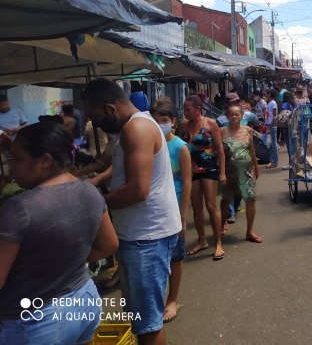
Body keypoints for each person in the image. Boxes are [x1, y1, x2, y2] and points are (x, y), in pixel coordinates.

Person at [82, 78, 181, 345]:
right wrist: (97, 183)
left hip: (146, 238)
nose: (96, 123)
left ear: (110, 108)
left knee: (147, 324)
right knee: (143, 318)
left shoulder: (135, 129)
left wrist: (95, 204)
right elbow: (124, 170)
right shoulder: (135, 126)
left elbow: (137, 190)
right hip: (141, 235)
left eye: (96, 116)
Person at [0, 122, 118, 344]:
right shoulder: (89, 191)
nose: (10, 165)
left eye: (16, 158)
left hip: (36, 320)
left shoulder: (19, 208)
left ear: (45, 160)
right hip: (84, 301)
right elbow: (109, 244)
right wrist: (66, 262)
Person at [151, 98, 192, 324]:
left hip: (175, 209)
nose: (160, 125)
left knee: (176, 257)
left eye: (164, 120)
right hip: (155, 211)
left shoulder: (180, 147)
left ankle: (173, 299)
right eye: (155, 121)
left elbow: (187, 182)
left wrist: (183, 215)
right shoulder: (148, 144)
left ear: (173, 122)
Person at [178, 95, 226, 261]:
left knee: (211, 206)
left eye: (188, 110)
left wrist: (222, 171)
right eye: (184, 110)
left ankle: (218, 242)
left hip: (209, 169)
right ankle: (202, 241)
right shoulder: (183, 125)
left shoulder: (210, 123)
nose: (185, 113)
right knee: (197, 209)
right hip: (191, 172)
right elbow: (179, 146)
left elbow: (219, 149)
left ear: (198, 109)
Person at [219, 105, 263, 244]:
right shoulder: (221, 131)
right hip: (228, 170)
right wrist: (220, 172)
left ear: (242, 116)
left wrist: (256, 167)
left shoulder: (248, 130)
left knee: (250, 198)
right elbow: (217, 152)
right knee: (226, 198)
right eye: (231, 114)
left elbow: (252, 150)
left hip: (246, 170)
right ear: (227, 116)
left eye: (237, 114)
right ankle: (222, 223)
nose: (234, 117)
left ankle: (249, 231)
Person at [281, 91, 297, 169]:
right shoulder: (294, 104)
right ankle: (294, 162)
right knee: (294, 146)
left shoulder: (285, 105)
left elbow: (283, 116)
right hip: (295, 127)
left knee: (290, 146)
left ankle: (291, 163)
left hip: (288, 127)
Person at [264, 89, 279, 169]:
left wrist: (270, 127)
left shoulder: (273, 103)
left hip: (271, 126)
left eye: (266, 93)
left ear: (269, 94)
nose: (265, 94)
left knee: (273, 144)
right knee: (269, 144)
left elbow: (275, 116)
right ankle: (272, 160)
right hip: (268, 125)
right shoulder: (269, 103)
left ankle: (274, 161)